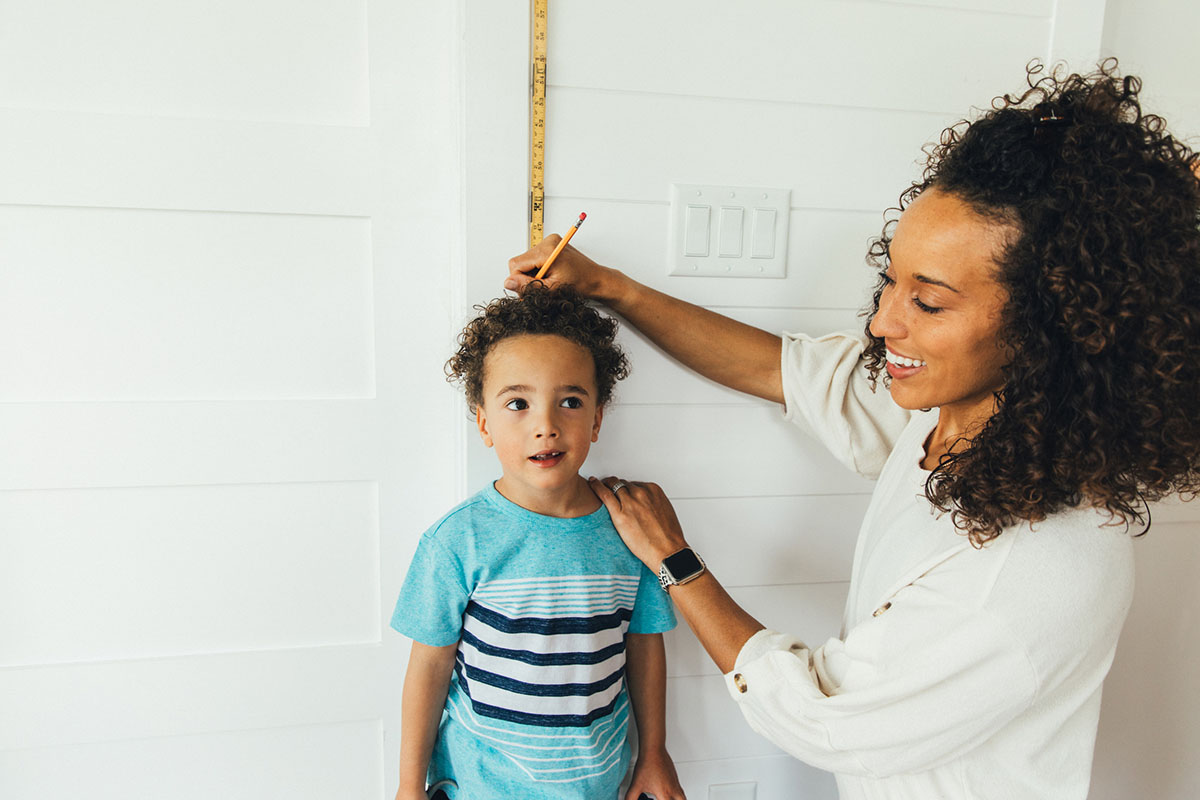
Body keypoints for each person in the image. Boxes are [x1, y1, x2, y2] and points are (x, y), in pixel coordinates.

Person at [504, 62, 1200, 800]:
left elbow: (820, 716)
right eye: (891, 279)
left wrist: (676, 562)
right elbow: (783, 371)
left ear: (1051, 329)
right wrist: (609, 286)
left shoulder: (1039, 569)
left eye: (928, 303)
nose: (882, 322)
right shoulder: (952, 413)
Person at [391, 284, 685, 800]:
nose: (546, 426)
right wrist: (407, 786)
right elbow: (429, 666)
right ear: (484, 424)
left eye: (569, 401)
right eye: (518, 404)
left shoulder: (630, 530)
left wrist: (654, 752)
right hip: (482, 786)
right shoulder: (456, 540)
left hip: (597, 782)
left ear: (596, 420)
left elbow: (644, 645)